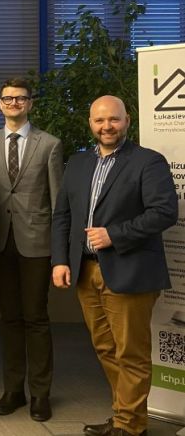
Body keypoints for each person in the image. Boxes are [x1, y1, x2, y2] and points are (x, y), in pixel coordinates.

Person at [51, 95, 177, 436]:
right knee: (105, 348)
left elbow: (164, 212)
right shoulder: (77, 163)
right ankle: (125, 417)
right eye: (99, 120)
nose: (107, 126)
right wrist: (60, 260)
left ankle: (130, 426)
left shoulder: (148, 162)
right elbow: (63, 215)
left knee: (131, 353)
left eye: (114, 119)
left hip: (130, 270)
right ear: (90, 124)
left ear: (127, 120)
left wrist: (114, 235)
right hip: (86, 271)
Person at [0, 78, 63, 421]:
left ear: (30, 103)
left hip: (37, 243)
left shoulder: (50, 144)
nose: (13, 103)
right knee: (9, 318)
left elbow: (57, 202)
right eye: (8, 98)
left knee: (36, 318)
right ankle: (13, 390)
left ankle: (41, 393)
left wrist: (59, 251)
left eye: (20, 98)